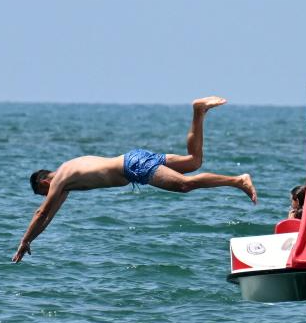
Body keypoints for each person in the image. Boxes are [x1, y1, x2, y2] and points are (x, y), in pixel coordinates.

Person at [14, 96, 256, 262]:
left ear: (44, 183)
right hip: (134, 158)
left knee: (185, 185)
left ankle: (238, 180)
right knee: (193, 161)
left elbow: (41, 214)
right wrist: (32, 239)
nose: (48, 197)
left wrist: (24, 240)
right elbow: (48, 217)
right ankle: (199, 112)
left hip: (133, 166)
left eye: (43, 193)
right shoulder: (68, 173)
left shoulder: (61, 178)